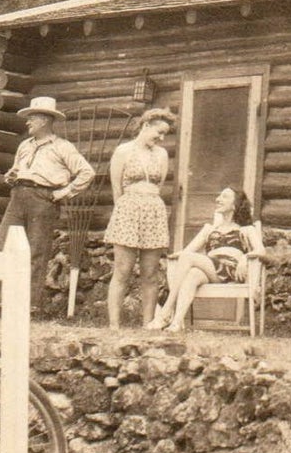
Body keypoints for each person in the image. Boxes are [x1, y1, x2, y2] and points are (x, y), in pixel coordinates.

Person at [0, 96, 94, 318]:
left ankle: (28, 308)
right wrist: (11, 176)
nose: (27, 122)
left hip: (44, 199)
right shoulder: (24, 146)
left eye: (32, 118)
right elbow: (16, 169)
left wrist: (63, 193)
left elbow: (87, 173)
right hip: (18, 196)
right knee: (1, 248)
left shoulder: (63, 147)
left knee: (36, 252)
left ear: (45, 120)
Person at [147, 187, 266, 333]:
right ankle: (177, 323)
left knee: (188, 260)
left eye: (225, 196)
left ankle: (166, 311)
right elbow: (186, 252)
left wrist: (245, 258)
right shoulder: (209, 229)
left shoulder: (246, 229)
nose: (218, 199)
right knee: (192, 275)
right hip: (212, 270)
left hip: (230, 269)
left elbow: (261, 251)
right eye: (219, 196)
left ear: (235, 204)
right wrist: (172, 257)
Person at [104, 107, 176, 329]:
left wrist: (148, 204)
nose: (161, 138)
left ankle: (148, 324)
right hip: (128, 210)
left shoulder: (161, 154)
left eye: (165, 134)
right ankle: (114, 325)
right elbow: (117, 189)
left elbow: (159, 185)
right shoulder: (123, 151)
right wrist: (126, 213)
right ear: (146, 126)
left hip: (153, 211)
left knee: (150, 273)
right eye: (159, 132)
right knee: (122, 271)